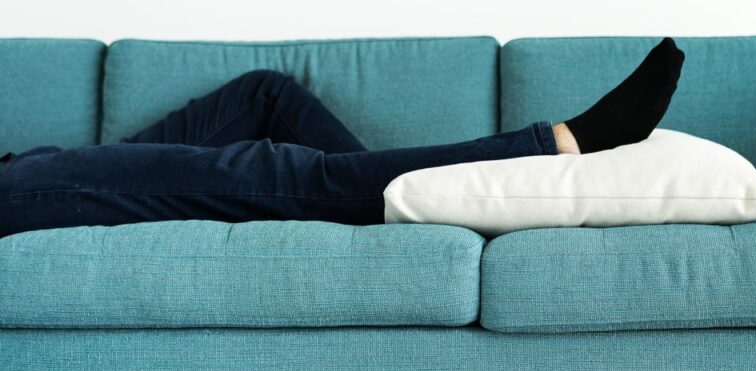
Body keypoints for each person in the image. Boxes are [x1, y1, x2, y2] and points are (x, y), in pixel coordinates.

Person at [0, 38, 684, 240]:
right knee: (279, 172)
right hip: (17, 194)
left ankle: (375, 201)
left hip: (30, 167)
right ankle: (562, 142)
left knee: (265, 93)